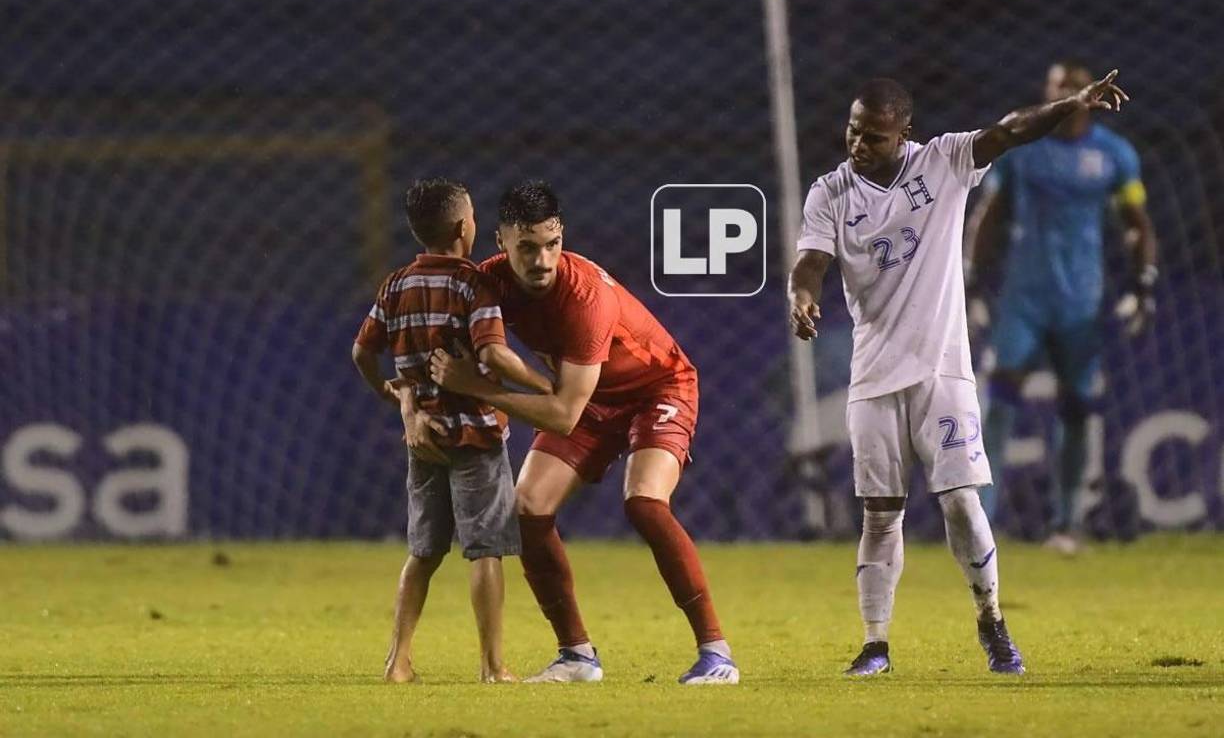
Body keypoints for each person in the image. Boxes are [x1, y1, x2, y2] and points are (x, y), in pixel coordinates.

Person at [787, 71, 1129, 675]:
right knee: (880, 511)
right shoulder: (830, 192)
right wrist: (803, 296)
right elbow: (811, 261)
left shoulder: (942, 162)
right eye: (852, 130)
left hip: (943, 370)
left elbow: (1010, 131)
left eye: (873, 136)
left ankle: (992, 621)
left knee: (962, 502)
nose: (858, 144)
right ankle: (875, 644)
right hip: (873, 376)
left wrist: (1072, 104)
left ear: (904, 134)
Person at [426, 180, 738, 685]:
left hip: (656, 389)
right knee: (525, 510)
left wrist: (482, 391)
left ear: (562, 236)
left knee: (643, 502)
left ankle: (717, 653)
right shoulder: (489, 282)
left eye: (552, 244)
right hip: (587, 397)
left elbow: (563, 415)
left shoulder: (585, 297)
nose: (542, 260)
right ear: (501, 243)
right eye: (527, 247)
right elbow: (467, 350)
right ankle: (577, 656)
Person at [351, 177, 553, 684]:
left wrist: (394, 394)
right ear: (465, 226)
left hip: (425, 437)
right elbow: (493, 354)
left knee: (423, 551)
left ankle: (397, 660)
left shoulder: (395, 285)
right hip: (477, 436)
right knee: (486, 550)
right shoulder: (471, 284)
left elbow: (361, 352)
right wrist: (543, 383)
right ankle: (492, 666)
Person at [965, 60, 1158, 554]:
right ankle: (981, 525)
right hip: (1023, 297)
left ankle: (1067, 523)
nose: (1067, 94)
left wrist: (1143, 282)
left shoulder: (1114, 155)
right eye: (1057, 87)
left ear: (1091, 93)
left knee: (1077, 408)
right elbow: (990, 214)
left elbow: (1136, 220)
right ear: (1048, 93)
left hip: (1082, 302)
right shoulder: (1022, 151)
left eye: (1073, 86)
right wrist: (968, 278)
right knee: (999, 396)